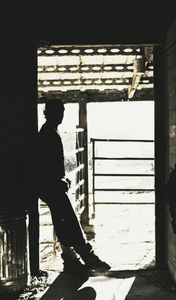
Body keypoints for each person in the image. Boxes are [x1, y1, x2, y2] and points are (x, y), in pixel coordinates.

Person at [36, 98, 110, 275]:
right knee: (68, 219)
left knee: (62, 220)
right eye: (58, 111)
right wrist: (56, 179)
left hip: (52, 184)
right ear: (50, 113)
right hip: (49, 185)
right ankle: (87, 255)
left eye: (62, 111)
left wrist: (62, 178)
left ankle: (70, 258)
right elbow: (38, 163)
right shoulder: (47, 133)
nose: (61, 114)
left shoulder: (50, 131)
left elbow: (51, 163)